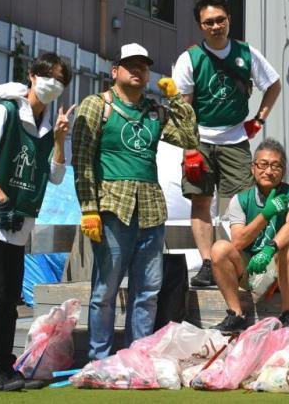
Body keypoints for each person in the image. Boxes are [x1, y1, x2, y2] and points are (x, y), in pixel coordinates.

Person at [72, 43, 198, 360]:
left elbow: (190, 138)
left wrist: (174, 98)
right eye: (130, 65)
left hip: (151, 210)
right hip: (112, 209)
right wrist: (88, 208)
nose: (138, 70)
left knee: (148, 292)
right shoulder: (96, 105)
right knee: (105, 291)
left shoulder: (154, 111)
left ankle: (137, 357)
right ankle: (99, 358)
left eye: (143, 65)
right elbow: (82, 160)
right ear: (115, 70)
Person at [0, 53, 73, 391]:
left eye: (60, 80)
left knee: (10, 298)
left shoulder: (46, 130)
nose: (54, 84)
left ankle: (6, 368)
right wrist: (0, 197)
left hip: (16, 226)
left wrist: (60, 140)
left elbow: (54, 177)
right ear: (32, 76)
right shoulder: (2, 112)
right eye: (48, 75)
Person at [174, 0, 281, 288]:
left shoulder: (246, 54)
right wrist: (190, 148)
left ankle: (241, 260)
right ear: (200, 26)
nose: (216, 26)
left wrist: (258, 119)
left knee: (243, 203)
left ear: (229, 20)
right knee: (201, 200)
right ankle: (208, 263)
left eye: (220, 19)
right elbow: (184, 108)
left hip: (235, 138)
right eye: (209, 22)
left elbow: (273, 84)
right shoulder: (190, 59)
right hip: (201, 139)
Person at [209, 138, 289, 333]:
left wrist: (270, 248)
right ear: (252, 168)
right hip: (252, 267)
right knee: (219, 248)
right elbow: (237, 241)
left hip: (285, 266)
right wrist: (266, 214)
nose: (269, 171)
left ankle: (288, 314)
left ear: (284, 170)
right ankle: (235, 314)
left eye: (276, 166)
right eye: (263, 165)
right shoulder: (240, 199)